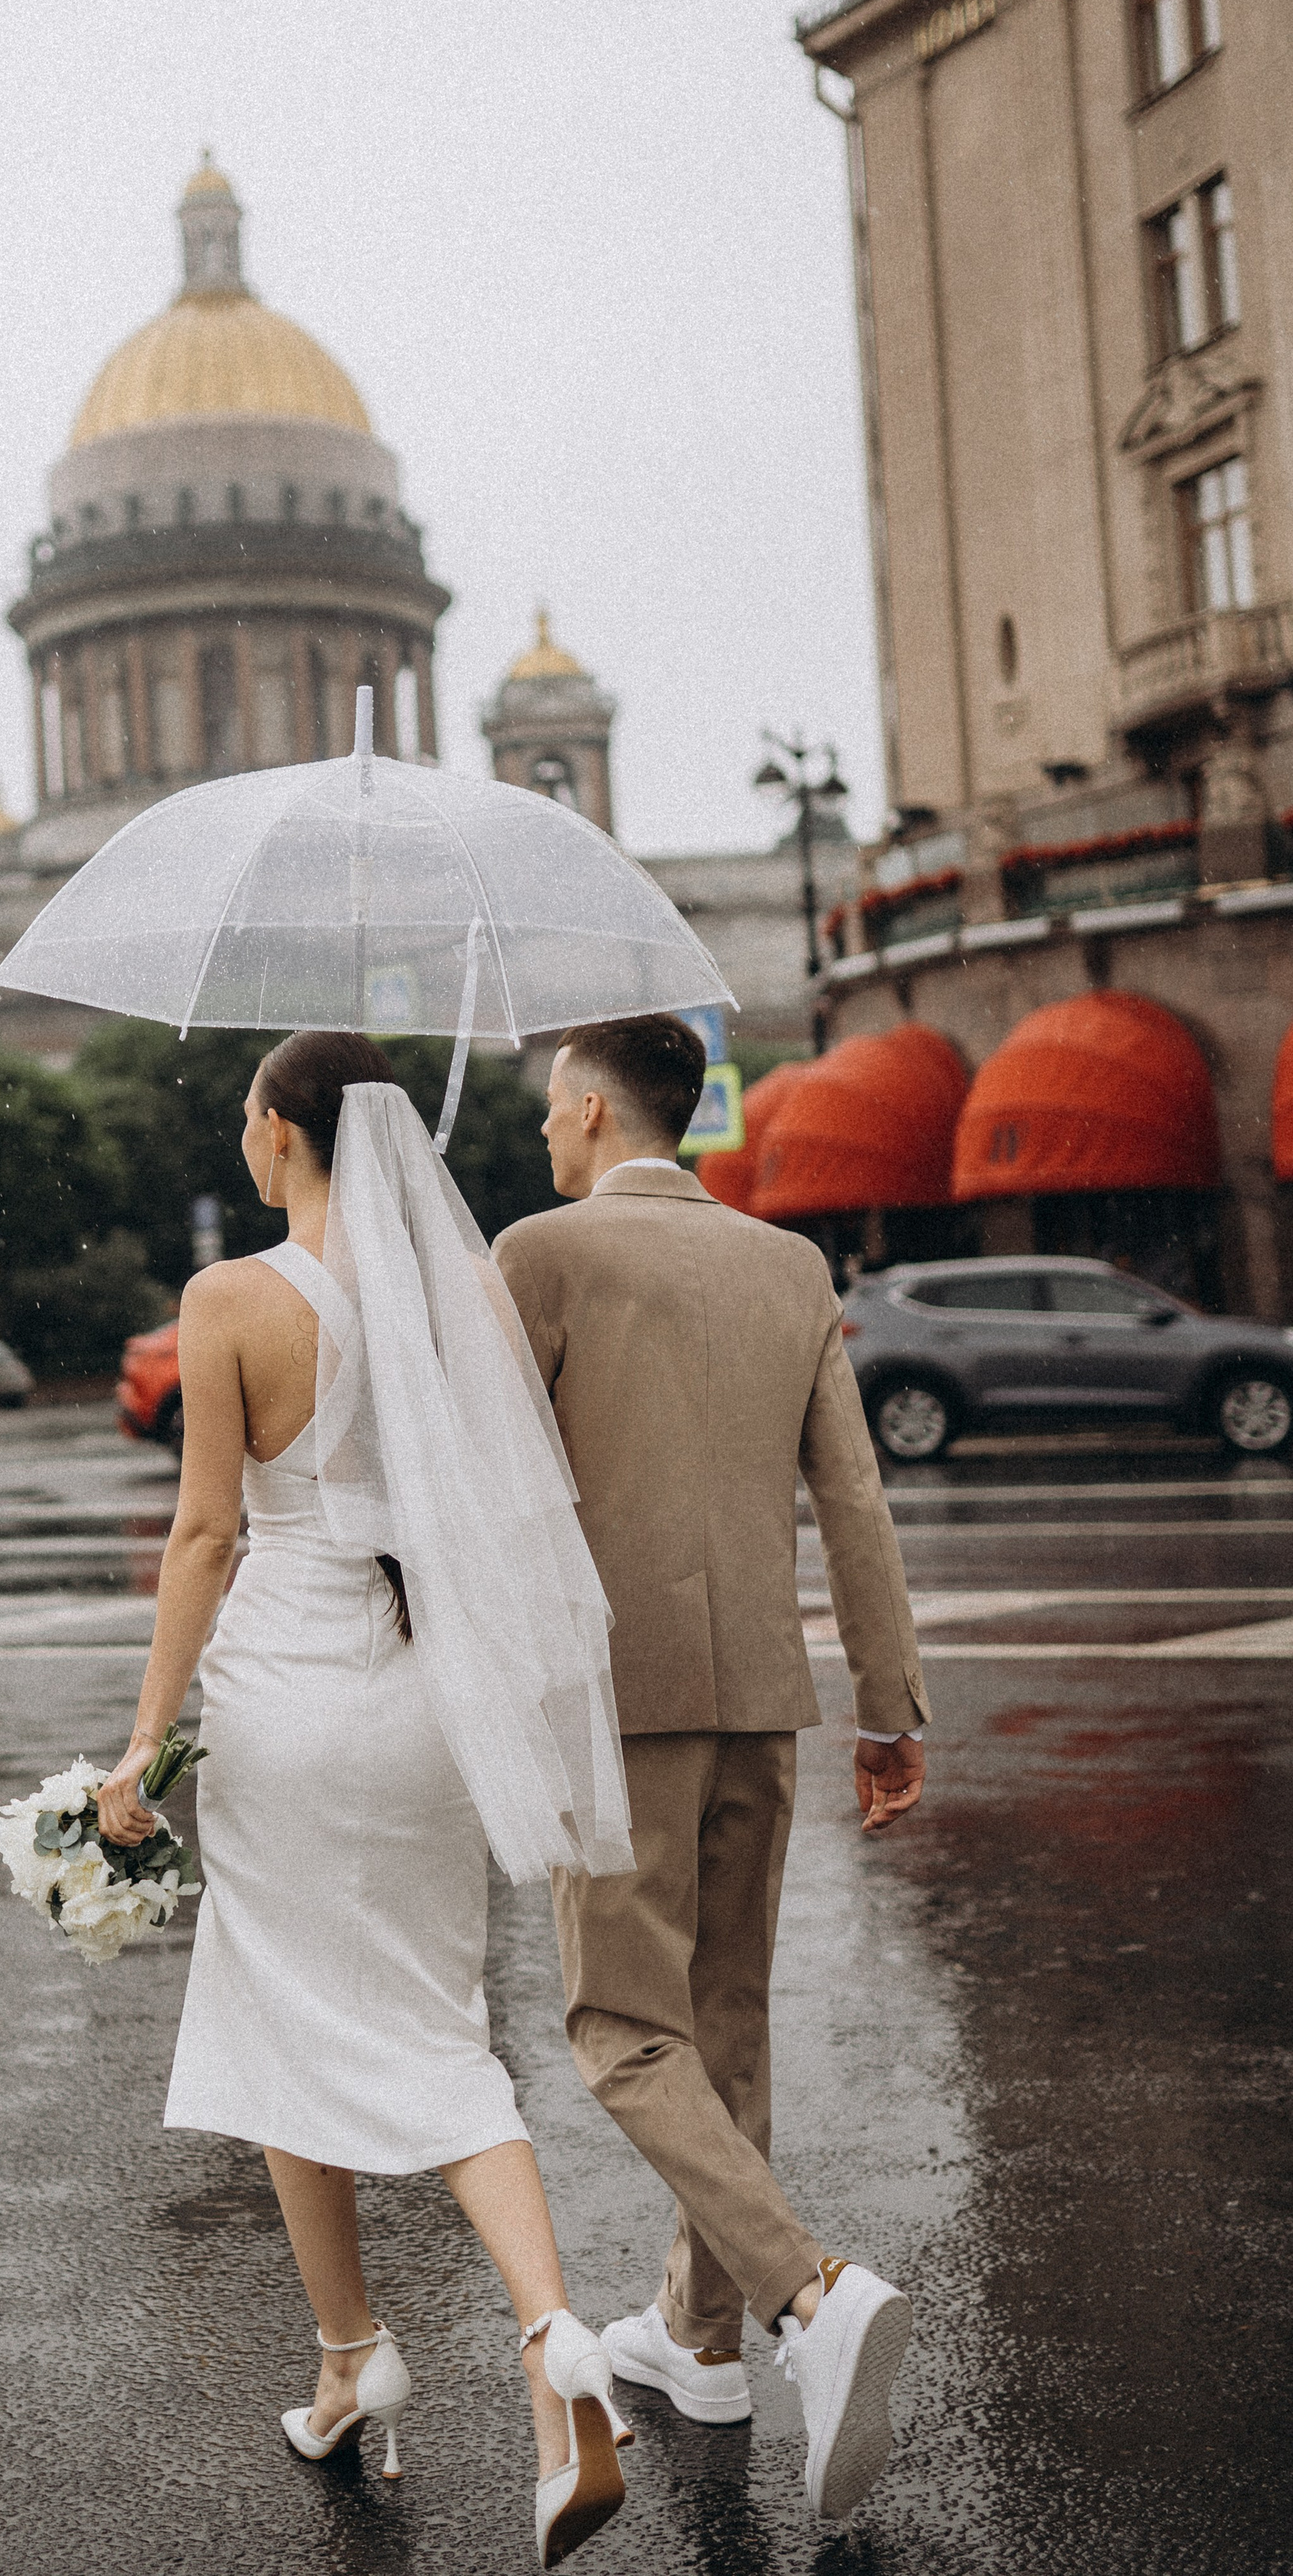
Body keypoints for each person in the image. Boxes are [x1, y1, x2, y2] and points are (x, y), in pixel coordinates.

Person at [95, 1030, 639, 2568]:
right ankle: (531, 2345)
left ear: (284, 1131)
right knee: (435, 2022)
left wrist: (143, 1740)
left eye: (247, 1121)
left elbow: (206, 1533)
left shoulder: (230, 1300)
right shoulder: (458, 1297)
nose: (242, 1141)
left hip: (285, 1690)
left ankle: (357, 2342)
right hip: (424, 1698)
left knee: (285, 2006)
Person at [491, 1015, 929, 2525]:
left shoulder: (541, 1256)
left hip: (614, 1696)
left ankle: (807, 2294)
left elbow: (490, 1482)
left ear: (598, 1109)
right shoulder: (791, 1266)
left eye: (555, 1110)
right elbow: (855, 1505)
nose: (547, 1135)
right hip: (763, 1693)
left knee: (620, 2029)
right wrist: (891, 1705)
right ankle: (701, 2335)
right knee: (724, 2013)